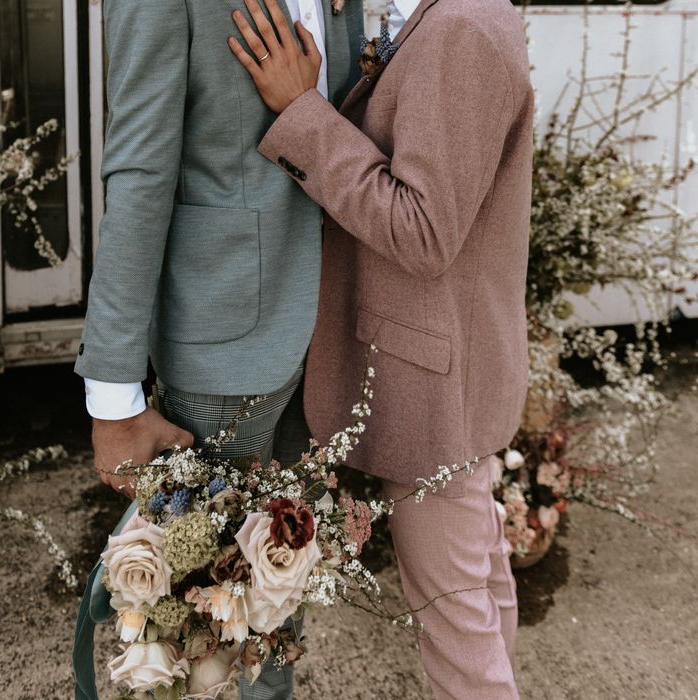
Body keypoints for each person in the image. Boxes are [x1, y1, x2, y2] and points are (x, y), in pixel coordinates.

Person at [229, 0, 533, 697]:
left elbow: (425, 231)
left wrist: (303, 113)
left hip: (437, 377)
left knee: (456, 624)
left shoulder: (460, 29)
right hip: (457, 358)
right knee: (478, 580)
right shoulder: (460, 14)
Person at [73, 2, 363, 699]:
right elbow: (139, 170)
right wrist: (114, 398)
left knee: (277, 602)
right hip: (223, 336)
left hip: (326, 322)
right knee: (188, 632)